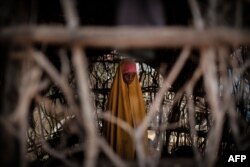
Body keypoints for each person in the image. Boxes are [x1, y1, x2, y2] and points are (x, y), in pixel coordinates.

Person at [104, 59, 147, 159]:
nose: (130, 78)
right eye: (127, 75)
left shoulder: (138, 95)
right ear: (120, 75)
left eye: (133, 75)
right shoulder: (114, 96)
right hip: (120, 135)